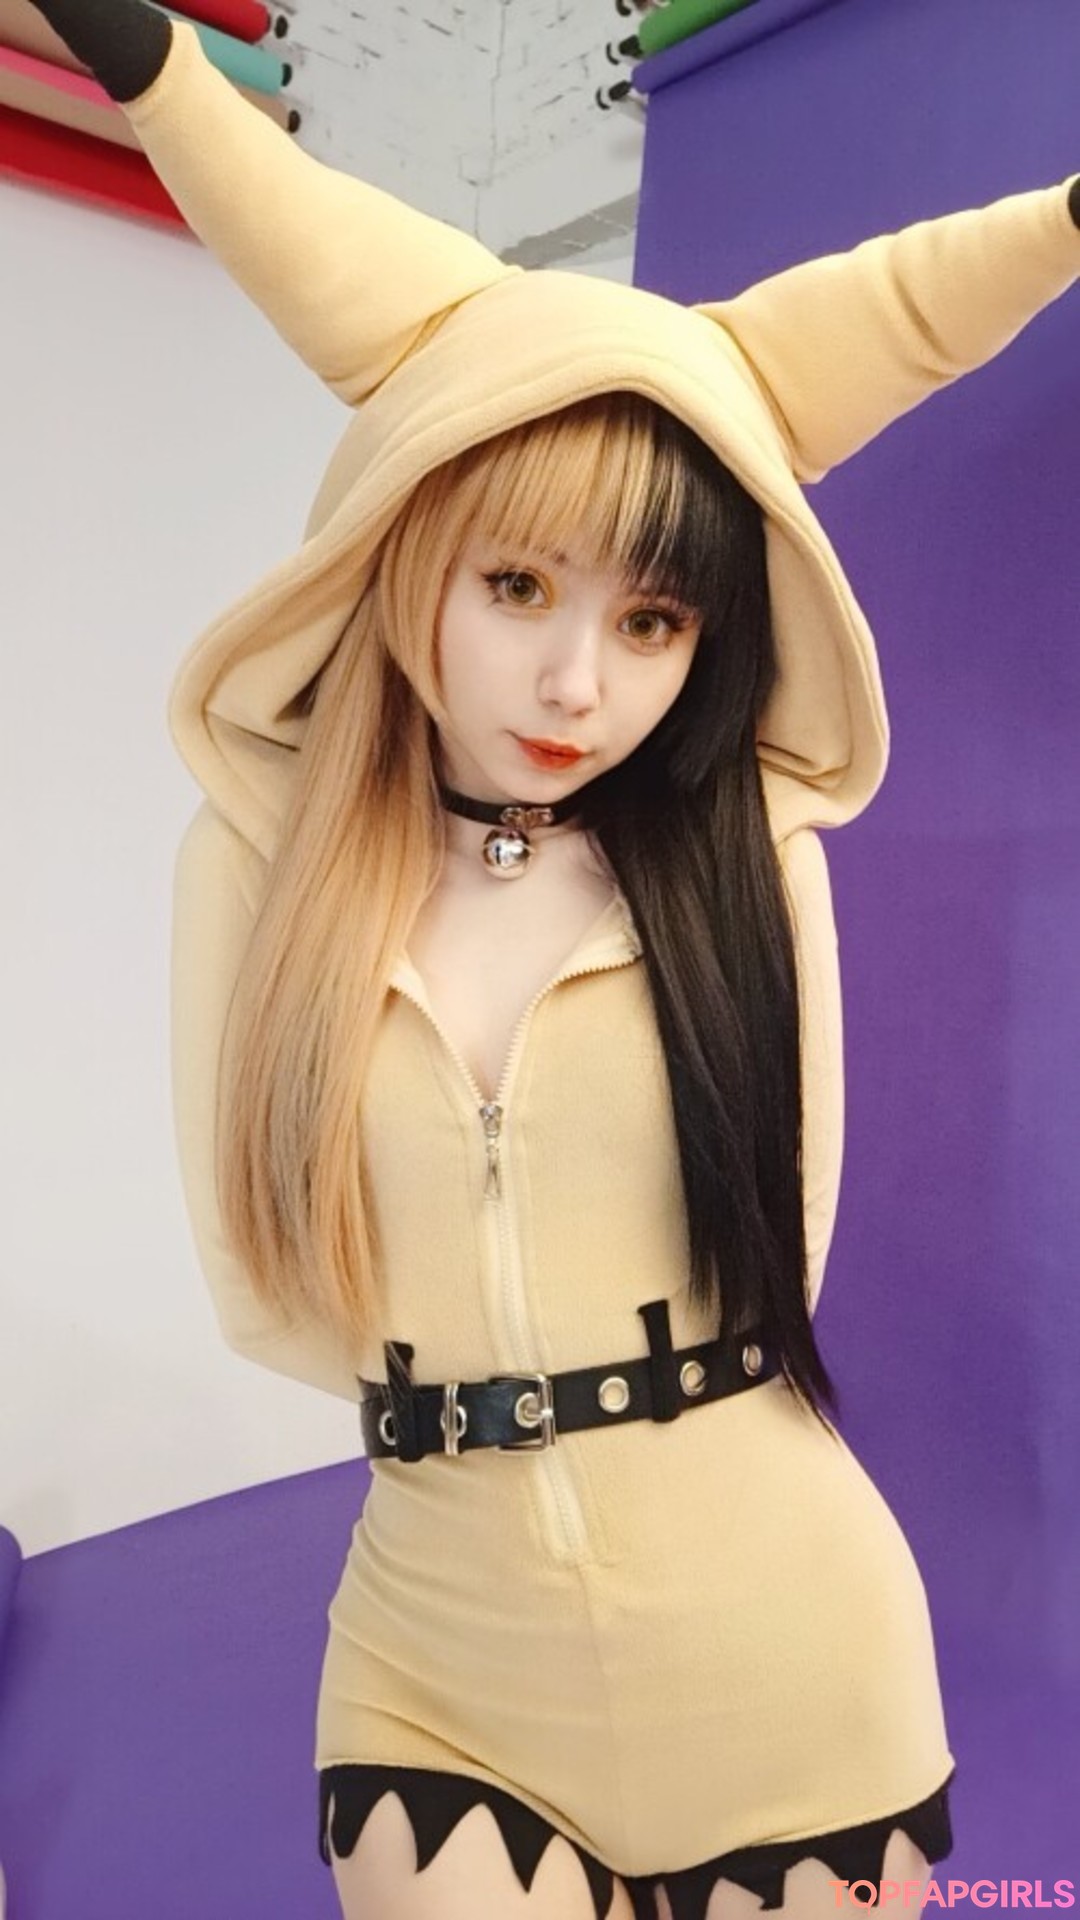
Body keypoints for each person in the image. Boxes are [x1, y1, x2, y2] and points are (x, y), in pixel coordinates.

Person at [28, 4, 1080, 1916]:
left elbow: (789, 1236)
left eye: (654, 618)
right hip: (439, 1667)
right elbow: (271, 1292)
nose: (579, 683)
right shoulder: (255, 873)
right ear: (402, 549)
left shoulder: (749, 865)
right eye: (517, 585)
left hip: (788, 1651)